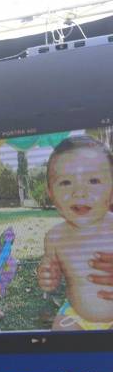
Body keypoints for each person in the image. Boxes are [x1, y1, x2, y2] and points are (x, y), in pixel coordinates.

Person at [37, 135, 113, 330]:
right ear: (51, 193)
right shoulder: (54, 237)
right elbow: (51, 278)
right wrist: (48, 278)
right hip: (77, 317)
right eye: (65, 183)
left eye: (93, 180)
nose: (79, 192)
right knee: (60, 330)